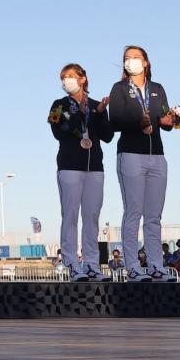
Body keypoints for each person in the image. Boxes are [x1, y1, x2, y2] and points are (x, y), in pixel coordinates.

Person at [109, 45, 178, 282]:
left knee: (154, 216)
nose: (131, 61)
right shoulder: (119, 89)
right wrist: (139, 121)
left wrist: (168, 121)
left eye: (136, 58)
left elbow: (165, 121)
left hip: (157, 156)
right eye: (127, 58)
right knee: (133, 212)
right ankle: (133, 268)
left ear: (146, 62)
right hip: (130, 155)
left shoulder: (157, 89)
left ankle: (156, 266)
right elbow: (114, 120)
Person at [48, 63, 114, 282]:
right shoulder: (58, 105)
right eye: (63, 78)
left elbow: (107, 136)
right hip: (69, 166)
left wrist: (99, 115)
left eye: (70, 76)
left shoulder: (97, 106)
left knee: (92, 217)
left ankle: (92, 264)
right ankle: (73, 264)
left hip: (94, 167)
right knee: (70, 216)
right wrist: (80, 114)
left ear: (82, 78)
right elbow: (58, 131)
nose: (66, 81)